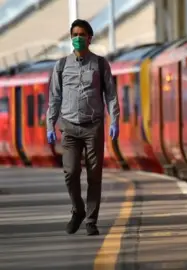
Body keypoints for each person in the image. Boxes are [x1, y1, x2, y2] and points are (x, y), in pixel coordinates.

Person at [46, 19, 120, 235]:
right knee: (70, 172)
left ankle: (90, 220)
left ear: (90, 38)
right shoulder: (60, 66)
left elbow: (111, 96)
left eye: (82, 34)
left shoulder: (100, 64)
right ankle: (77, 209)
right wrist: (50, 125)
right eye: (74, 34)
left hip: (93, 126)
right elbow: (54, 98)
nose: (77, 38)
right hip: (68, 127)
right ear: (71, 38)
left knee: (94, 175)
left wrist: (114, 120)